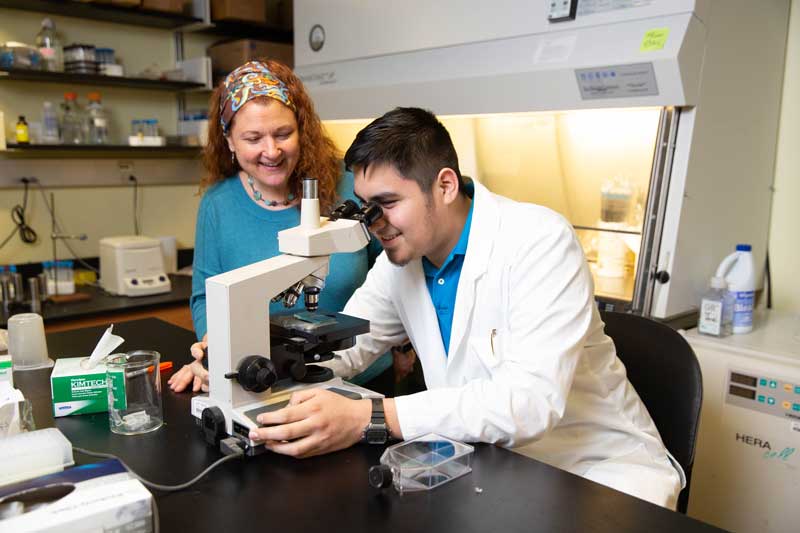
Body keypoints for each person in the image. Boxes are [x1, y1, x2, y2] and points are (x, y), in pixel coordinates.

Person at [248, 107, 685, 510]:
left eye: (388, 204)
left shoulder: (539, 242)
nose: (374, 222)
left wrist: (372, 416)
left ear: (445, 185)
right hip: (490, 467)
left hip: (596, 472)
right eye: (366, 208)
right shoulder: (400, 260)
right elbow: (345, 347)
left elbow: (528, 403)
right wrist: (251, 364)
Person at [167, 60, 393, 394]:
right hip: (270, 383)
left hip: (365, 379)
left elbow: (395, 269)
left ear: (302, 130)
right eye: (253, 138)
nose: (271, 151)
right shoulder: (218, 205)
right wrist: (217, 353)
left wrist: (403, 346)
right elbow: (204, 295)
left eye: (283, 134)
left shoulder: (351, 189)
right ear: (229, 140)